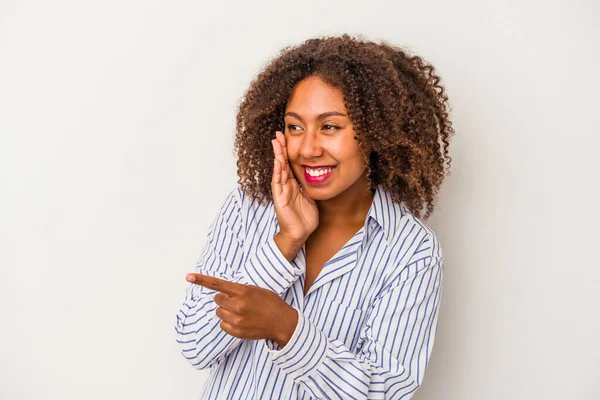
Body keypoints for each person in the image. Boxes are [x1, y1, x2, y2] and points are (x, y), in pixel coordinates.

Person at [174, 34, 454, 399]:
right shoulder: (248, 207)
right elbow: (195, 345)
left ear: (376, 133)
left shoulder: (410, 252)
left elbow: (382, 392)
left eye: (330, 127)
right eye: (294, 127)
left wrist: (287, 328)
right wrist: (284, 244)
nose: (307, 148)